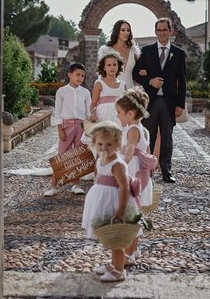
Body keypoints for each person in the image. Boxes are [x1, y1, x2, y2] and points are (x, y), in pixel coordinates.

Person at [82, 121, 139, 282]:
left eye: (109, 144)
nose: (103, 147)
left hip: (114, 202)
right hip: (102, 202)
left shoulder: (117, 164)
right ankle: (114, 264)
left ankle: (119, 271)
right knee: (109, 236)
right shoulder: (101, 160)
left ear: (117, 145)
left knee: (116, 238)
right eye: (100, 143)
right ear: (94, 143)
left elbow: (124, 187)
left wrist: (120, 211)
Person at [132, 18, 186, 184]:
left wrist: (180, 105)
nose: (162, 33)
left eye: (165, 30)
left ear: (171, 31)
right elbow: (135, 73)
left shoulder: (178, 53)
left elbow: (182, 81)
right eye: (159, 30)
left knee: (167, 137)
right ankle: (146, 170)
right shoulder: (146, 51)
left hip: (169, 102)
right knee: (148, 136)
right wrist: (149, 81)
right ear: (155, 32)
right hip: (151, 100)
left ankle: (166, 171)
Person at [116, 88, 156, 265]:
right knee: (135, 212)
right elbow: (145, 152)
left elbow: (130, 151)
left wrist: (120, 166)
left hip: (132, 176)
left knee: (130, 215)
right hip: (142, 176)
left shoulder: (132, 129)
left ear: (130, 113)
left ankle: (128, 255)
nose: (118, 116)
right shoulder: (143, 129)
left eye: (119, 113)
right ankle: (135, 249)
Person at [44, 62, 91, 197]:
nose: (80, 78)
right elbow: (58, 112)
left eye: (82, 76)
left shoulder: (86, 92)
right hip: (66, 126)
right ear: (70, 75)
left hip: (81, 127)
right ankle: (54, 185)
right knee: (62, 155)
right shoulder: (62, 91)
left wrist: (88, 129)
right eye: (77, 74)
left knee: (78, 155)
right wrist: (60, 129)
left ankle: (76, 185)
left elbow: (88, 113)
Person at [98, 20, 141, 90]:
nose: (126, 33)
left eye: (128, 30)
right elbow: (101, 73)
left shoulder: (134, 52)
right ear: (117, 31)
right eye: (123, 30)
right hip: (111, 90)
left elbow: (136, 73)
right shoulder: (106, 50)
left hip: (130, 91)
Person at [90, 51, 127, 126]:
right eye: (109, 65)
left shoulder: (123, 85)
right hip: (102, 117)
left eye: (114, 64)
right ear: (104, 67)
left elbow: (126, 104)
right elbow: (93, 104)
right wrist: (93, 114)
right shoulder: (99, 84)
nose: (112, 67)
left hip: (118, 119)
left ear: (118, 66)